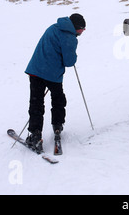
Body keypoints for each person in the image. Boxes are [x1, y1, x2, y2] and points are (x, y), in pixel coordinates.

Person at [24, 13, 86, 151]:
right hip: (52, 75)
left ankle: (35, 134)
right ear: (76, 28)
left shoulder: (53, 27)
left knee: (36, 101)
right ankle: (57, 125)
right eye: (82, 29)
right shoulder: (70, 38)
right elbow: (69, 62)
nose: (83, 31)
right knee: (58, 99)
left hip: (36, 70)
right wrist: (73, 54)